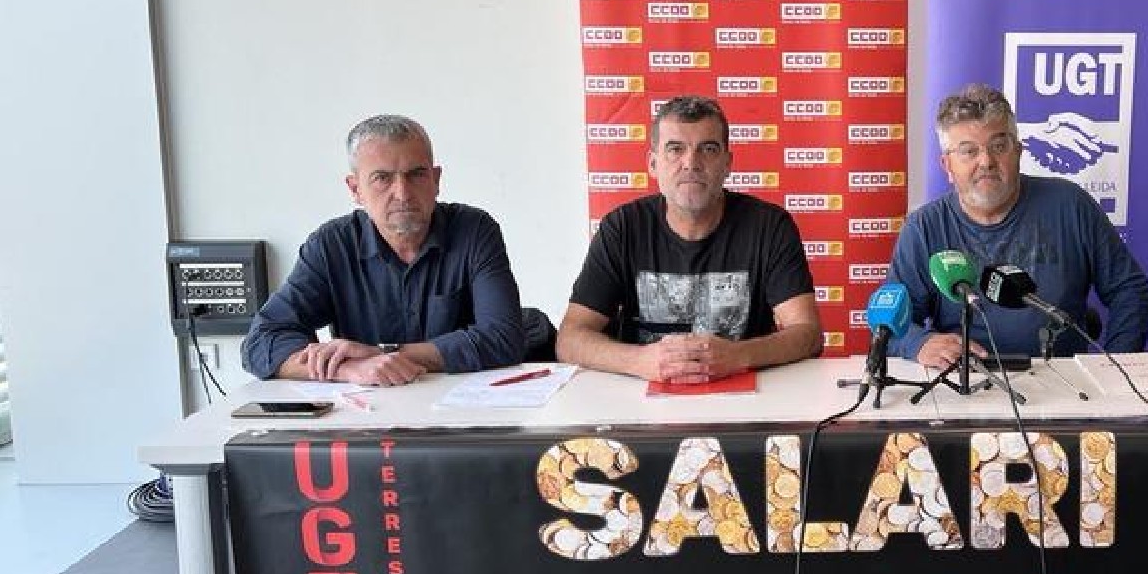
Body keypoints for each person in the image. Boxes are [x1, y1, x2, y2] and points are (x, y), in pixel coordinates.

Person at [887, 84, 1148, 372]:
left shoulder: (1070, 205)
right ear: (947, 165)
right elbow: (891, 322)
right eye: (969, 151)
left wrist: (1113, 369)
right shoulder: (924, 228)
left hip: (1064, 381)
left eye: (999, 147)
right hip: (965, 380)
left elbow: (1130, 292)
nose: (986, 161)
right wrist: (918, 343)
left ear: (1018, 152)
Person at [242, 115, 525, 385]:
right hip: (366, 408)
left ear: (436, 180)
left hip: (460, 408)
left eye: (416, 174)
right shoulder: (331, 246)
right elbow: (260, 342)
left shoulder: (474, 231)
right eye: (382, 178)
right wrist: (347, 368)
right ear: (355, 189)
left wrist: (381, 354)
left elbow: (503, 338)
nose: (402, 193)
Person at [557, 95, 822, 383]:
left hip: (745, 396)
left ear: (727, 163)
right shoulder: (622, 228)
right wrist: (640, 360)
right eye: (675, 149)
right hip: (643, 398)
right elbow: (570, 339)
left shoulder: (769, 226)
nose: (691, 163)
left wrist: (738, 355)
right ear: (653, 163)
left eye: (708, 149)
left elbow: (808, 334)